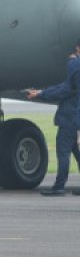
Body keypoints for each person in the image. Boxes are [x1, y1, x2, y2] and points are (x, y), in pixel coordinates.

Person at [26, 41, 80, 196]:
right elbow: (66, 86)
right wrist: (41, 93)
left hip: (70, 118)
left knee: (63, 153)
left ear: (77, 48)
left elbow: (64, 89)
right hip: (75, 117)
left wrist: (41, 94)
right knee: (76, 152)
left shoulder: (75, 66)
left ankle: (59, 187)